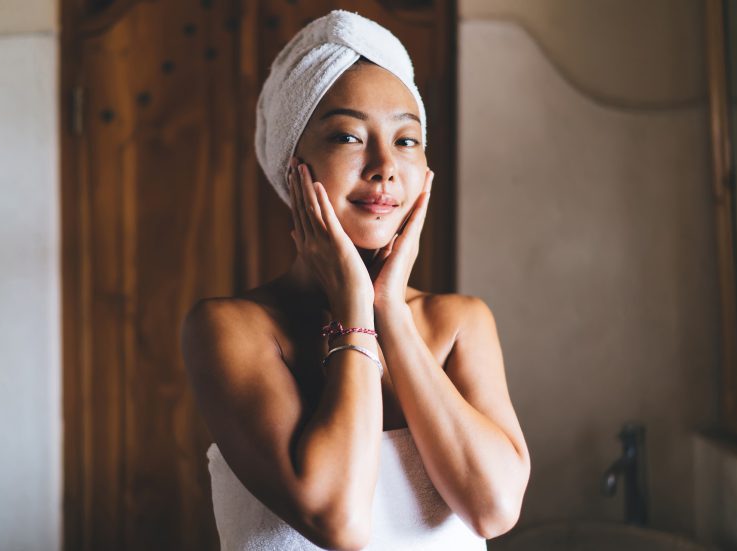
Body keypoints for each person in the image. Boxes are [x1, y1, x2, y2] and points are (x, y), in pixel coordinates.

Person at [181, 10, 529, 551]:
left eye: (408, 140)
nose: (385, 166)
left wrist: (388, 308)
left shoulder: (460, 323)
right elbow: (338, 519)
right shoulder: (231, 329)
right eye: (347, 135)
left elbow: (493, 509)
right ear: (293, 167)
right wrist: (354, 310)